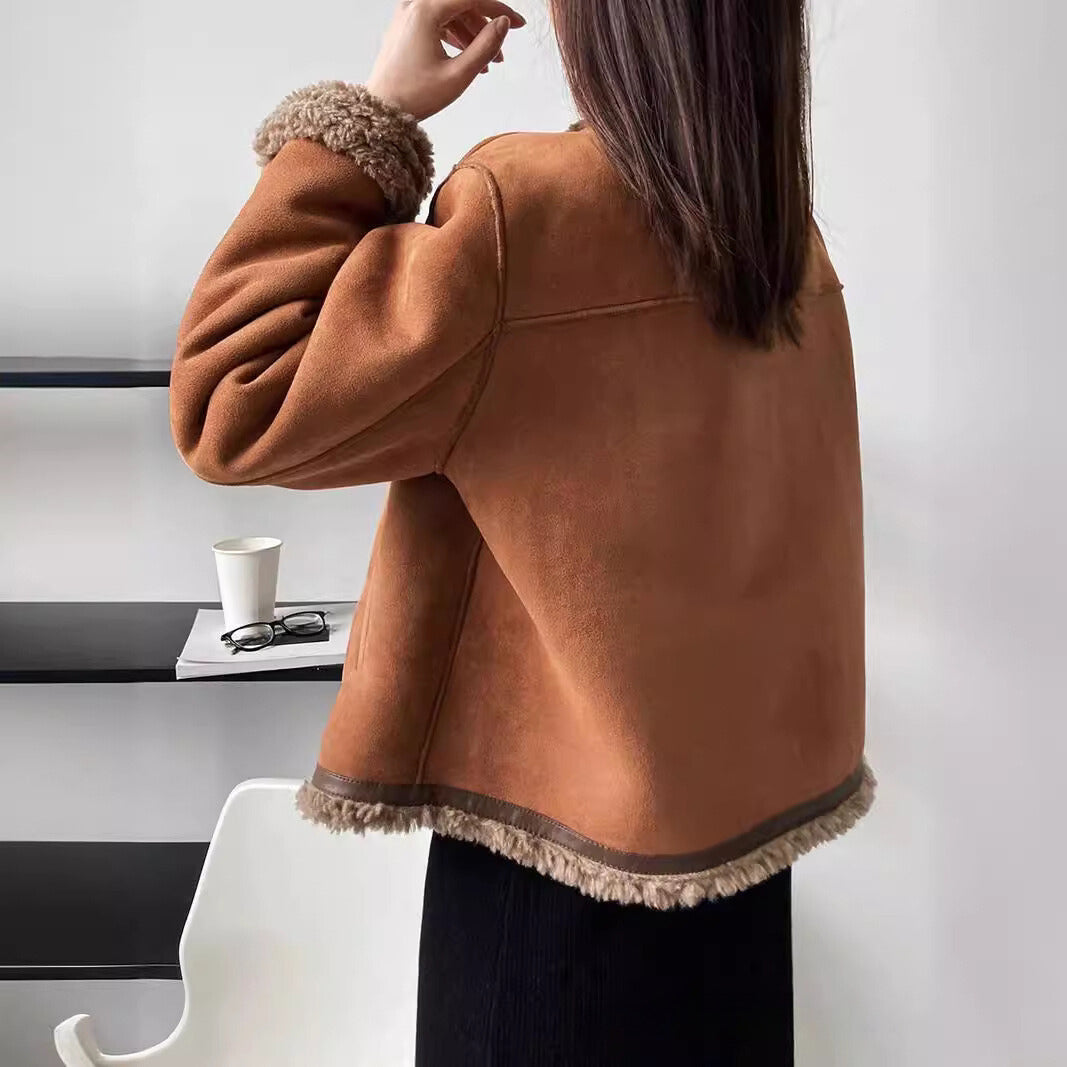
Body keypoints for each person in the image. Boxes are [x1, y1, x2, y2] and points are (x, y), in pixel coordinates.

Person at [170, 1, 876, 1062]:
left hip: (547, 898)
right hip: (737, 884)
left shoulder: (524, 215)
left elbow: (233, 400)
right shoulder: (778, 236)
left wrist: (367, 119)